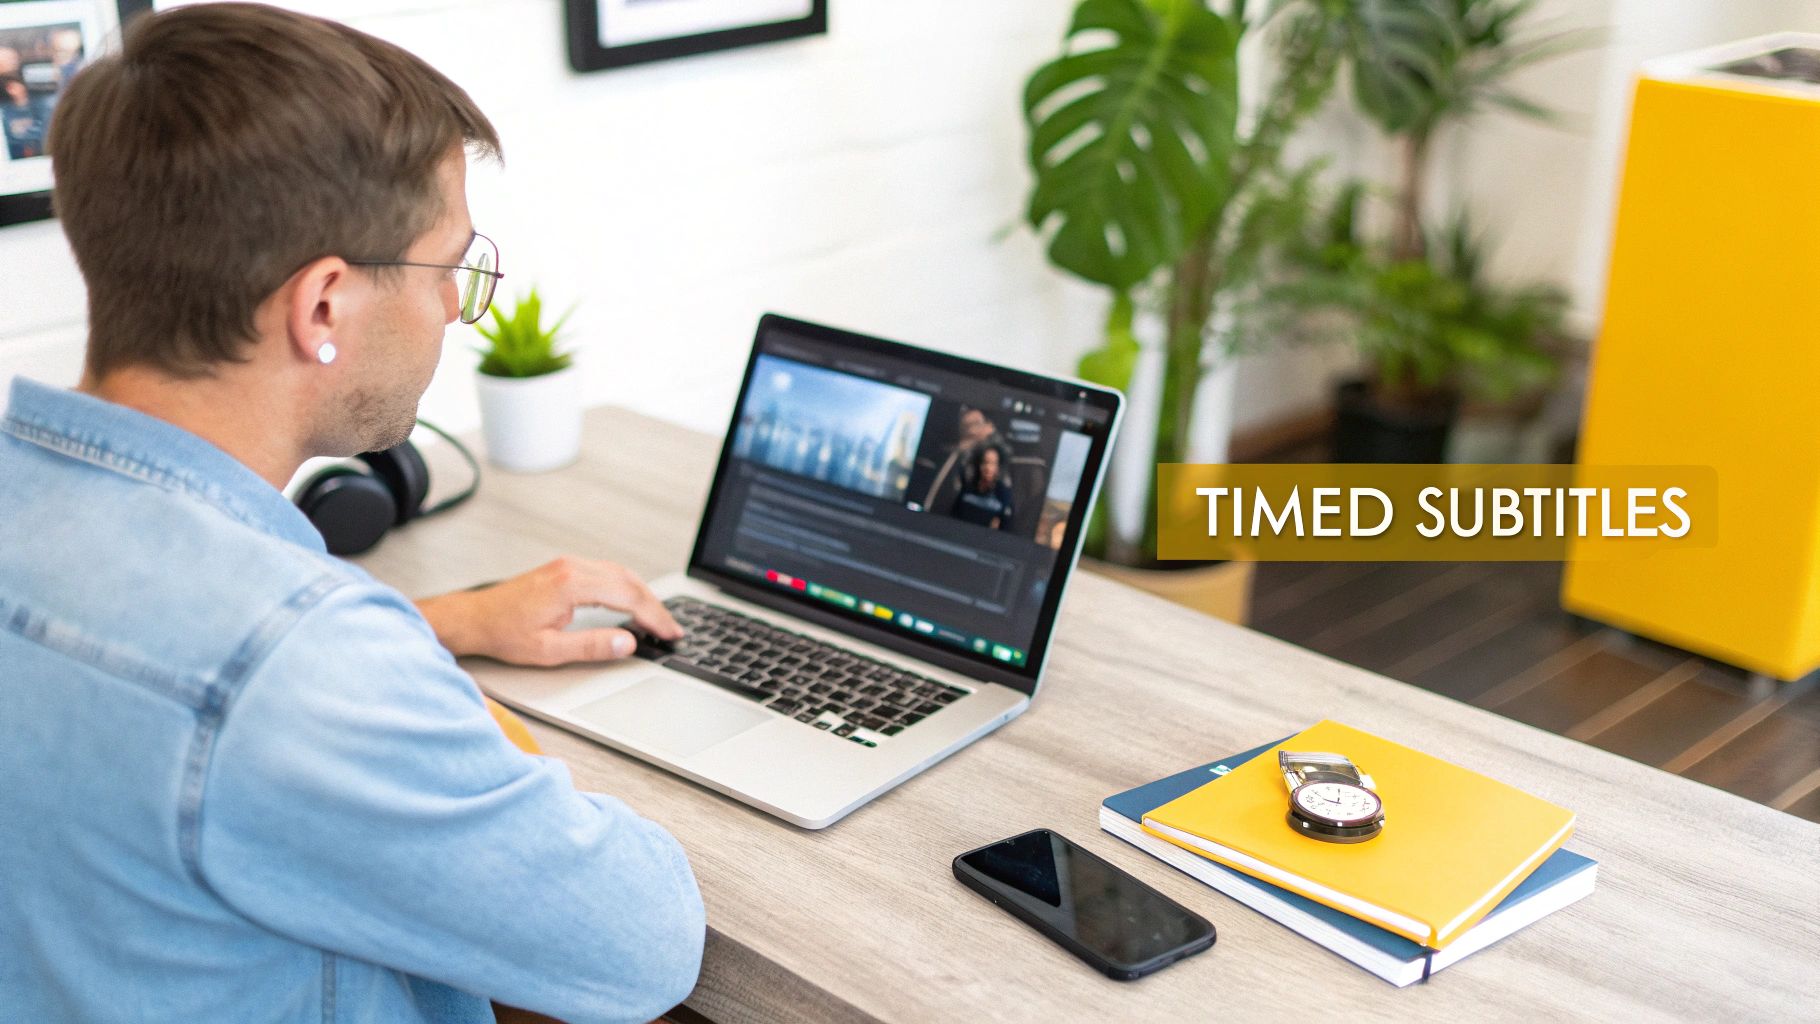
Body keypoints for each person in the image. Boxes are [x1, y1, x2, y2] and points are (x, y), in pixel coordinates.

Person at [0, 5, 703, 1023]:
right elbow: (646, 944)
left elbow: (174, 670)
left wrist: (441, 623)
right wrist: (439, 702)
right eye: (448, 266)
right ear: (323, 304)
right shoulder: (300, 667)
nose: (455, 306)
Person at [949, 441, 1015, 530]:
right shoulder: (967, 489)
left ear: (998, 466)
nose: (988, 468)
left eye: (993, 463)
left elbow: (1006, 528)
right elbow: (953, 517)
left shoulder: (1003, 496)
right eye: (985, 462)